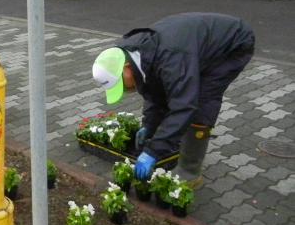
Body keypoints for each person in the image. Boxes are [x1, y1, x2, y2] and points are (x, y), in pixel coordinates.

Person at [91, 13, 255, 185]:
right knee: (181, 86)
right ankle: (173, 141)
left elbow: (185, 105)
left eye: (121, 84)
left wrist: (153, 152)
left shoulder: (170, 57)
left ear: (126, 67)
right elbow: (155, 91)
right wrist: (149, 125)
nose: (124, 90)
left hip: (232, 44)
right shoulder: (136, 54)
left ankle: (189, 171)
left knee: (201, 101)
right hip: (193, 48)